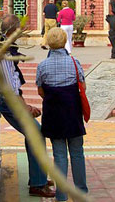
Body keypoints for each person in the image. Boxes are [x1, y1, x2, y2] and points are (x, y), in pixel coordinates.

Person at [0, 14, 55, 198]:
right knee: (36, 134)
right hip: (7, 101)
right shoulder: (4, 50)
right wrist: (25, 107)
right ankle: (37, 184)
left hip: (9, 99)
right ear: (13, 31)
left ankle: (38, 178)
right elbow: (9, 86)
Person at [36, 27, 88, 202]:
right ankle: (81, 191)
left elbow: (41, 91)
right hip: (72, 112)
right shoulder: (74, 62)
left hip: (53, 113)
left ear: (48, 43)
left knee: (59, 154)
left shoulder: (42, 65)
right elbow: (83, 86)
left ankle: (61, 194)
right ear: (65, 41)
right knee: (77, 152)